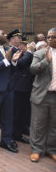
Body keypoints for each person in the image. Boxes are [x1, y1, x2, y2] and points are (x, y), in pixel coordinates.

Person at [29, 27, 56, 163]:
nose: (50, 39)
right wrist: (46, 61)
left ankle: (52, 150)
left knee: (54, 125)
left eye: (53, 37)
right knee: (38, 124)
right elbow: (33, 69)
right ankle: (36, 150)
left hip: (55, 96)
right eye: (48, 37)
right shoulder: (40, 53)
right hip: (41, 95)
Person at [9, 31, 36, 144]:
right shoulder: (14, 51)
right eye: (18, 38)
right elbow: (21, 64)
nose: (20, 40)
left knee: (23, 113)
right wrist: (29, 51)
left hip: (26, 86)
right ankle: (14, 134)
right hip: (18, 87)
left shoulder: (24, 52)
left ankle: (19, 133)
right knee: (17, 112)